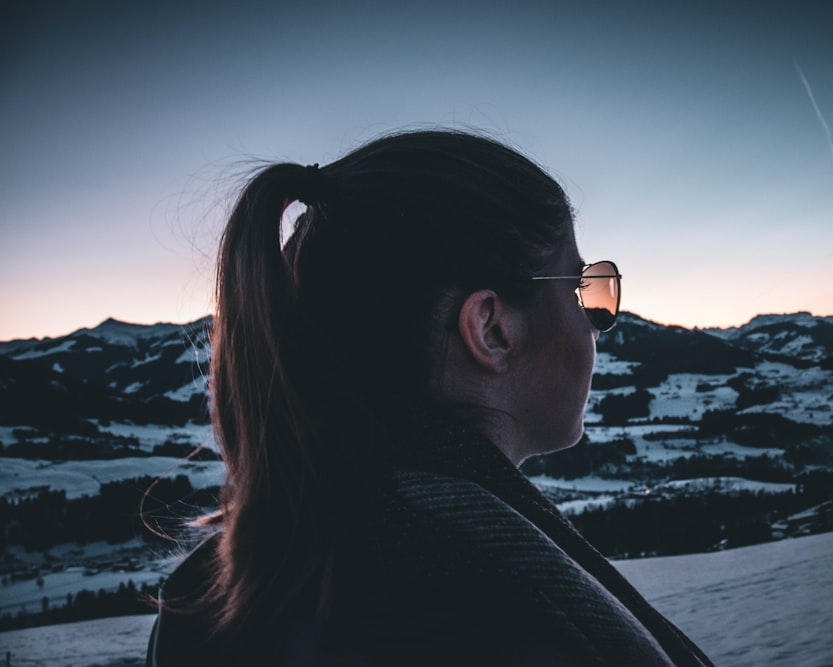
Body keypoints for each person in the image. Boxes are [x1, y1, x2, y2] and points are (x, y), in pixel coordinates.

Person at [145, 129, 713, 666]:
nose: (595, 323)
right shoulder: (489, 621)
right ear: (491, 329)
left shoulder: (220, 584)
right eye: (580, 286)